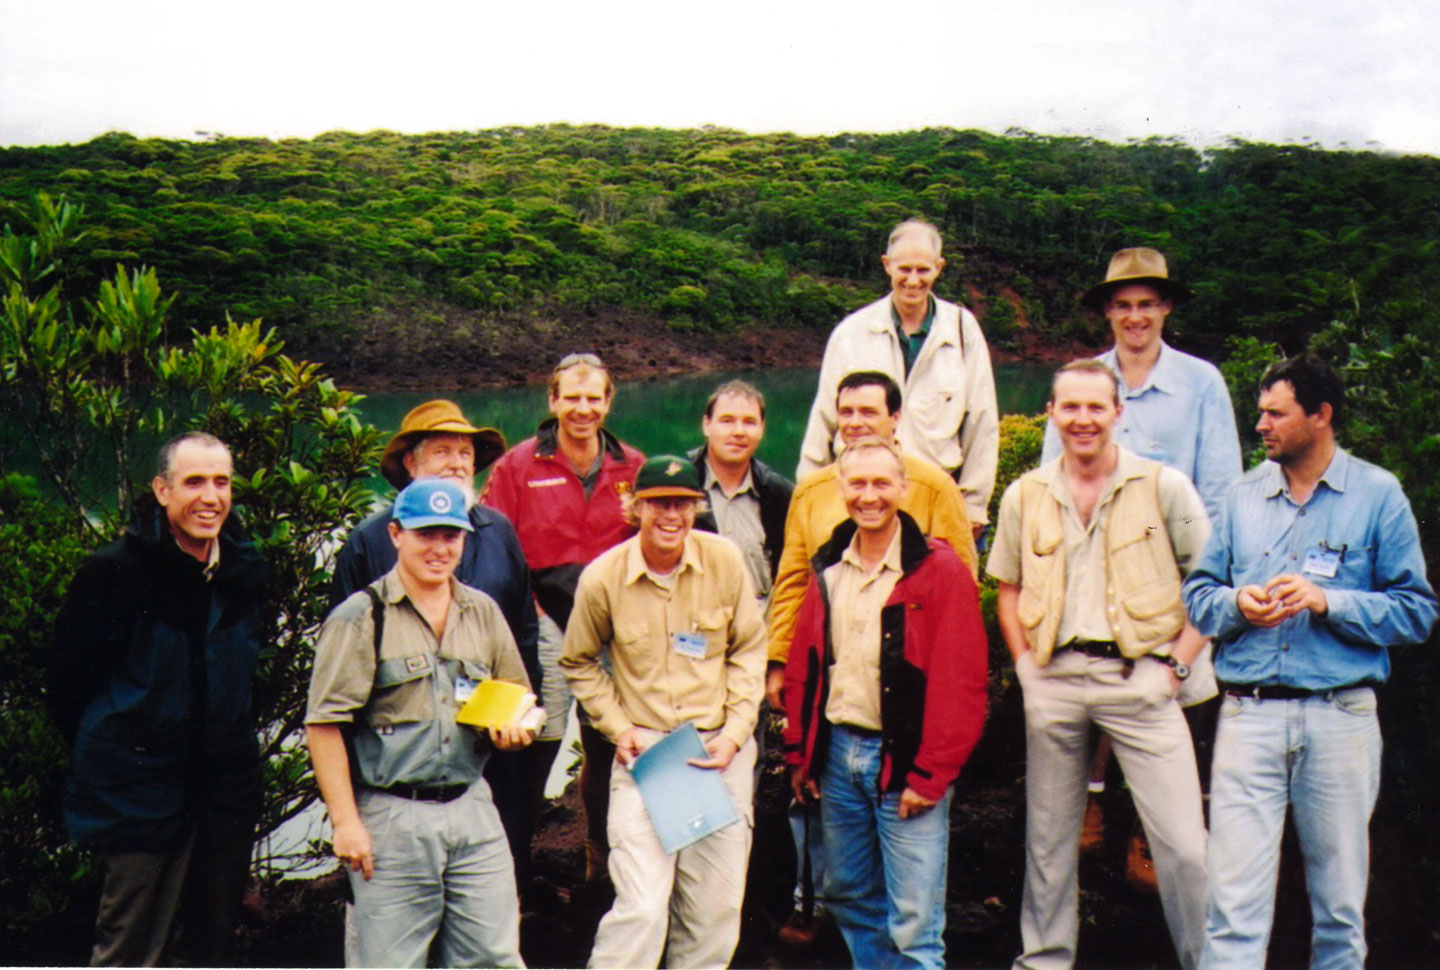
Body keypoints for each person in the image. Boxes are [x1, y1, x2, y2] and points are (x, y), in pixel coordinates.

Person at [1182, 353, 1438, 970]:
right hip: (1249, 718)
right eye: (1260, 412)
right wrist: (1238, 603)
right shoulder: (1241, 495)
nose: (1261, 425)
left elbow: (1417, 612)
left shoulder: (1378, 494)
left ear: (1321, 416)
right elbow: (1198, 596)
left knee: (1340, 908)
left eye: (1276, 413)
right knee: (1232, 907)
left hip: (1341, 718)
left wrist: (1331, 601)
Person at [989, 361, 1210, 970]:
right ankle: (1044, 961)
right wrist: (1025, 669)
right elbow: (1007, 587)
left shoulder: (1167, 487)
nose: (1082, 420)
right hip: (1053, 679)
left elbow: (1213, 581)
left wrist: (1176, 670)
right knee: (1048, 843)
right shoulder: (1024, 494)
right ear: (1052, 414)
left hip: (1142, 681)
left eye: (1095, 407)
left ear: (1118, 412)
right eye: (1070, 408)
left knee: (1185, 848)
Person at [1040, 248, 1241, 879]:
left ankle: (1155, 834)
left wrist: (1201, 570)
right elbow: (1050, 477)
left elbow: (1219, 482)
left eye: (1146, 304)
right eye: (1123, 305)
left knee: (1172, 688)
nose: (1135, 317)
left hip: (1173, 557)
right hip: (1089, 557)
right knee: (1095, 674)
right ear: (1107, 312)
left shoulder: (1201, 381)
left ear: (1165, 308)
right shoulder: (1082, 377)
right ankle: (1094, 809)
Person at [769, 368, 978, 946]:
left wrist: (930, 774)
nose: (868, 496)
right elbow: (811, 662)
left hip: (902, 756)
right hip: (837, 755)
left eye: (881, 484)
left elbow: (960, 681)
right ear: (841, 489)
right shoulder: (829, 567)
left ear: (903, 487)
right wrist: (799, 752)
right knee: (851, 898)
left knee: (914, 921)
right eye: (856, 485)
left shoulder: (938, 569)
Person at [48, 431, 268, 967]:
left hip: (222, 794)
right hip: (139, 794)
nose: (210, 496)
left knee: (210, 944)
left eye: (222, 482)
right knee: (129, 946)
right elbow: (68, 690)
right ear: (162, 490)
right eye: (194, 481)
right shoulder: (116, 570)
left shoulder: (247, 571)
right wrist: (128, 753)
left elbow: (246, 681)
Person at [306, 478, 535, 968]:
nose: (439, 548)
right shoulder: (360, 617)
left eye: (450, 536)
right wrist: (346, 823)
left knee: (495, 958)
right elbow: (324, 725)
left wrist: (516, 731)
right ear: (395, 534)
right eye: (425, 533)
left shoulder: (484, 612)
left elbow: (518, 699)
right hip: (392, 817)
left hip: (473, 809)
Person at [560, 455, 767, 968]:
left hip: (718, 754)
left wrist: (737, 733)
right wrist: (618, 727)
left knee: (715, 913)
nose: (670, 515)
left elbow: (749, 650)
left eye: (682, 503)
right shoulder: (603, 577)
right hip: (647, 759)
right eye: (657, 504)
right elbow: (579, 661)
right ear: (635, 507)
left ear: (697, 507)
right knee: (643, 909)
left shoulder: (724, 561)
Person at [329, 399, 541, 889]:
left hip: (489, 755)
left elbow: (524, 634)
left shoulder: (500, 531)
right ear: (410, 463)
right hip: (399, 775)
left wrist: (525, 715)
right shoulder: (369, 542)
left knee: (491, 888)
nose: (457, 463)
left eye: (466, 453)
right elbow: (339, 668)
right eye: (443, 450)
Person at [480, 352, 645, 882]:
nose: (583, 409)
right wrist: (524, 617)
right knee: (536, 743)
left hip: (612, 625)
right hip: (543, 619)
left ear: (608, 401)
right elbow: (492, 546)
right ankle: (514, 871)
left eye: (594, 398)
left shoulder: (633, 467)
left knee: (608, 745)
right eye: (571, 397)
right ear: (552, 401)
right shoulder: (518, 464)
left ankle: (601, 862)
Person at [797, 217, 998, 534]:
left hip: (936, 503)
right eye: (904, 269)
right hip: (861, 503)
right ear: (887, 265)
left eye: (923, 270)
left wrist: (973, 506)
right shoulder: (850, 332)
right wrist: (809, 499)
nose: (913, 280)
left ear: (939, 267)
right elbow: (823, 420)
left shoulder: (963, 329)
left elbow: (982, 424)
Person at [689, 379, 793, 608]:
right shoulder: (680, 485)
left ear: (762, 428)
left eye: (749, 422)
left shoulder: (779, 494)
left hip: (761, 630)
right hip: (693, 628)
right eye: (727, 421)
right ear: (707, 425)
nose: (738, 432)